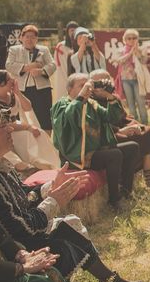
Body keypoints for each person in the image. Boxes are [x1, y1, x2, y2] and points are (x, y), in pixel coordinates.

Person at [0, 105, 143, 282]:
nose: (10, 129)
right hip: (12, 251)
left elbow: (23, 195)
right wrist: (53, 201)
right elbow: (21, 228)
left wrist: (50, 186)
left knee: (70, 230)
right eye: (2, 127)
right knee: (64, 247)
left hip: (24, 234)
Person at [51, 73, 141, 209]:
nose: (87, 87)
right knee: (114, 154)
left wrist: (109, 96)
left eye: (88, 84)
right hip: (78, 157)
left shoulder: (91, 104)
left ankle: (126, 192)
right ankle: (114, 200)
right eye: (81, 85)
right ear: (69, 89)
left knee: (132, 147)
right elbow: (70, 116)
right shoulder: (61, 104)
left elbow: (112, 118)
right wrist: (81, 96)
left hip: (96, 152)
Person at [90, 69, 150, 187]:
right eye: (97, 83)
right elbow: (97, 125)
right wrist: (120, 131)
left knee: (146, 132)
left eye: (104, 82)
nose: (101, 86)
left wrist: (135, 126)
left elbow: (123, 117)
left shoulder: (113, 97)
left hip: (120, 127)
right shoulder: (90, 101)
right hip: (107, 135)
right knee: (132, 143)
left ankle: (147, 172)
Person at [0, 70, 60, 171]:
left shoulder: (11, 95)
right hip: (5, 131)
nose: (13, 81)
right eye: (9, 79)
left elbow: (28, 107)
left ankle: (50, 163)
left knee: (39, 133)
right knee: (27, 135)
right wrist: (28, 127)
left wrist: (17, 93)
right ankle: (34, 164)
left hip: (17, 126)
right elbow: (4, 125)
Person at [5, 25, 56, 133]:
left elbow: (53, 65)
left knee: (44, 118)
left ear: (36, 39)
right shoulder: (14, 50)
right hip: (21, 90)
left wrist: (41, 71)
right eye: (27, 36)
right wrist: (30, 66)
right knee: (21, 117)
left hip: (42, 89)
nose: (30, 39)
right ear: (21, 38)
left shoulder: (44, 50)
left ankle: (46, 144)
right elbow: (9, 65)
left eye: (33, 37)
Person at [112, 29, 150, 125]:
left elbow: (144, 61)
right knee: (131, 104)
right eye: (129, 38)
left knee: (141, 103)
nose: (132, 40)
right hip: (126, 80)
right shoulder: (121, 50)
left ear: (137, 39)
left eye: (134, 38)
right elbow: (119, 61)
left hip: (138, 80)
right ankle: (135, 124)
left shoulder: (142, 49)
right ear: (125, 39)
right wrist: (130, 53)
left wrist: (136, 51)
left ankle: (145, 124)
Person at [53, 21, 78, 102]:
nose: (73, 32)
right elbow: (61, 66)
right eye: (71, 30)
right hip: (63, 78)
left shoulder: (81, 46)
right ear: (67, 32)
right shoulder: (61, 46)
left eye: (75, 30)